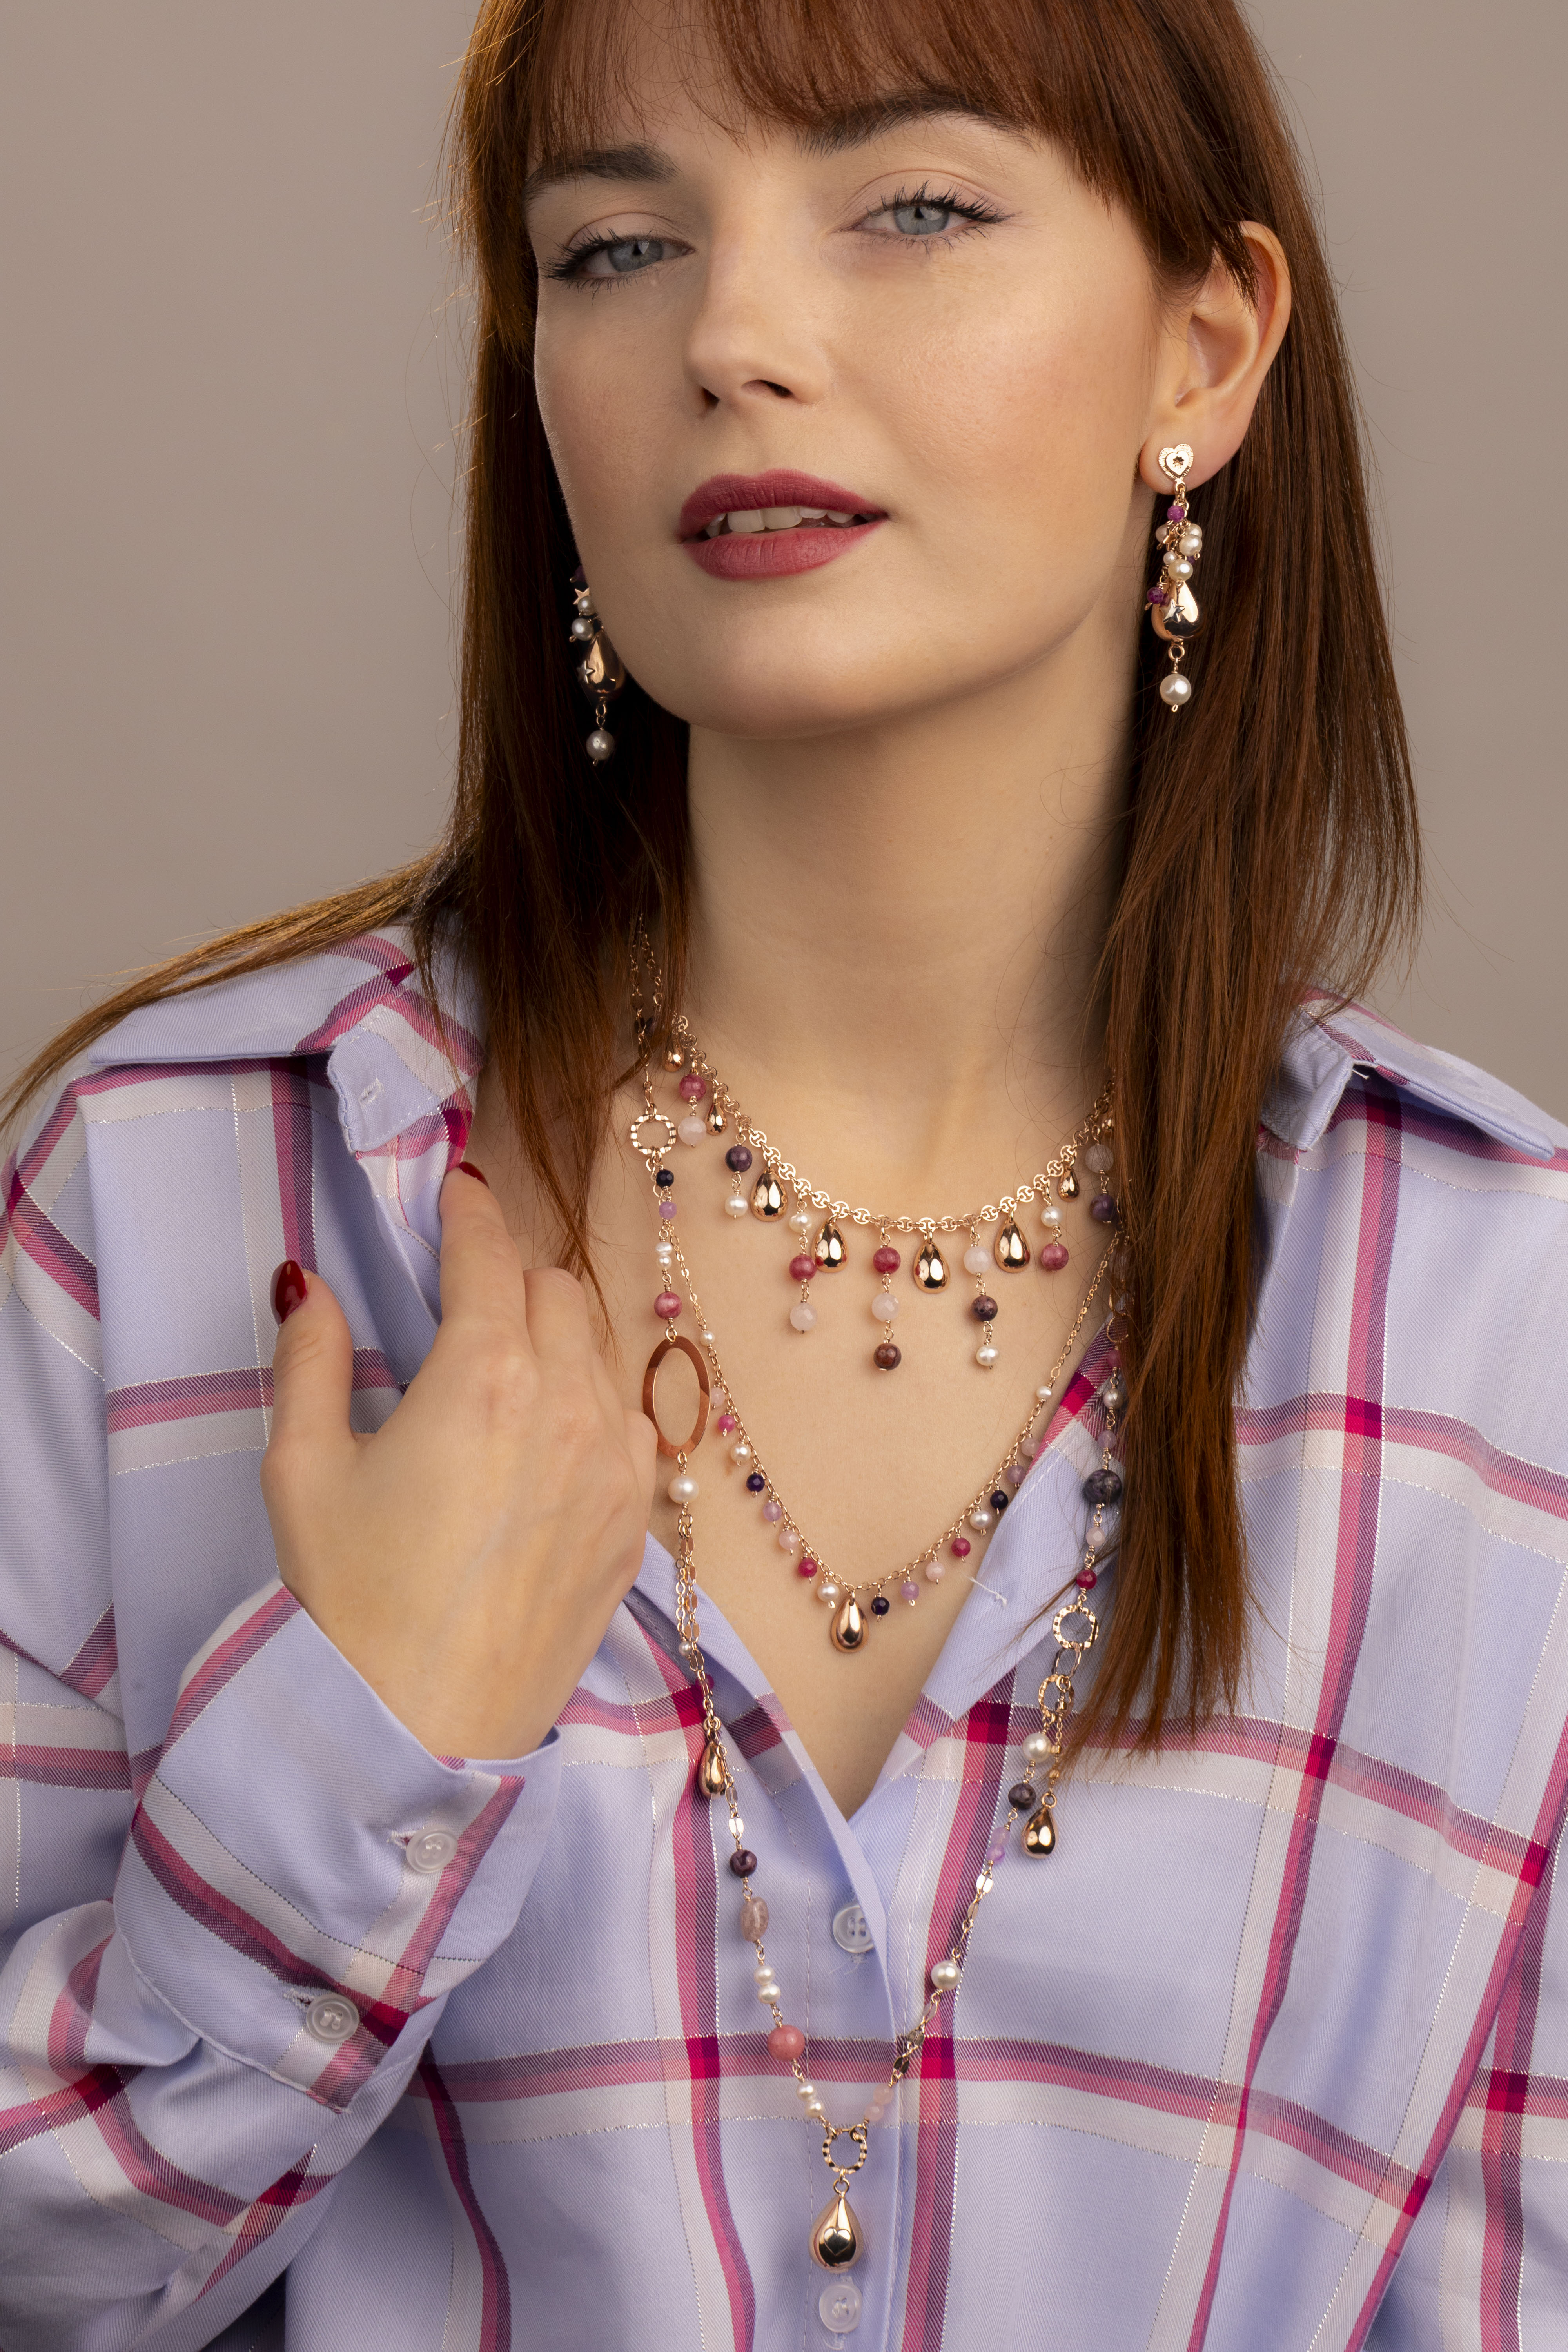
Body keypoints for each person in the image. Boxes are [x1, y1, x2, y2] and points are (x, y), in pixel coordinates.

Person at [2, 0, 1564, 2344]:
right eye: (614, 248)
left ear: (1209, 347)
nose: (730, 336)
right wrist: (367, 1755)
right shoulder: (169, 1200)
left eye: (913, 206)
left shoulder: (1506, 1329)